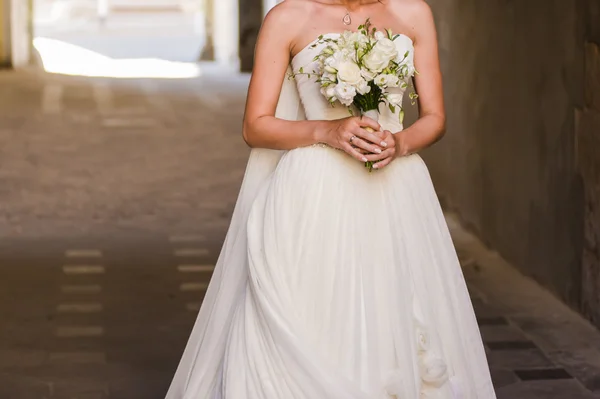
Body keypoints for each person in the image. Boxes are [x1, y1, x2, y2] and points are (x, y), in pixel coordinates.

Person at [166, 0, 497, 398]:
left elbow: (435, 117)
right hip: (314, 195)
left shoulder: (414, 13)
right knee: (317, 319)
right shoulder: (287, 17)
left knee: (394, 319)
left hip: (395, 192)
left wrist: (400, 141)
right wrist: (328, 131)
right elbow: (255, 126)